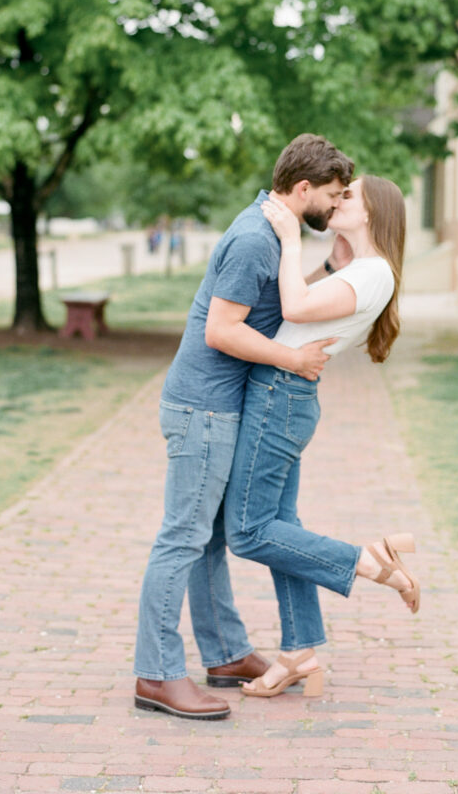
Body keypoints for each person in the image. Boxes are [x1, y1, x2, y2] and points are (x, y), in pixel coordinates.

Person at [133, 134, 354, 721]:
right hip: (202, 408)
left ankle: (226, 654)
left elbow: (272, 304)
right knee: (182, 537)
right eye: (330, 197)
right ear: (301, 189)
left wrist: (331, 267)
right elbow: (223, 331)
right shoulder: (257, 237)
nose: (334, 208)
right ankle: (156, 674)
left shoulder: (268, 230)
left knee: (207, 538)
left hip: (216, 406)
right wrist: (294, 361)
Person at [224, 175, 419, 698]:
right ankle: (298, 651)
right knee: (281, 527)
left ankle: (368, 560)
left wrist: (290, 239)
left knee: (247, 530)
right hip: (283, 394)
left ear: (372, 213)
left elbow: (293, 310)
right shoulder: (360, 270)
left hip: (280, 397)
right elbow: (302, 300)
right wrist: (328, 262)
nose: (337, 201)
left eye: (348, 196)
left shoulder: (375, 274)